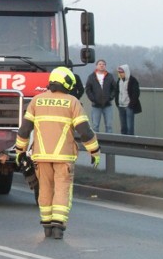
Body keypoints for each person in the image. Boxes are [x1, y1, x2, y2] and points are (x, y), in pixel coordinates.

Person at [15, 67, 101, 239]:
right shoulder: (72, 102)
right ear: (67, 82)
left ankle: (46, 225)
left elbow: (24, 130)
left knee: (45, 189)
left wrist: (20, 151)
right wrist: (95, 151)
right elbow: (85, 131)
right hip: (63, 156)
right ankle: (58, 226)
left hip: (41, 156)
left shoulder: (36, 101)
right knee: (62, 189)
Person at [85, 59, 116, 133]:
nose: (102, 65)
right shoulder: (91, 77)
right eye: (100, 64)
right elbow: (88, 89)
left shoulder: (109, 76)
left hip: (107, 105)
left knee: (109, 126)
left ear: (105, 66)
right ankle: (96, 142)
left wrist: (110, 97)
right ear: (96, 66)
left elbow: (115, 88)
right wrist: (93, 99)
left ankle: (109, 142)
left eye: (103, 64)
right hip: (96, 105)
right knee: (95, 126)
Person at [116, 64, 142, 135]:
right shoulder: (119, 81)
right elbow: (117, 92)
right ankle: (123, 141)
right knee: (123, 126)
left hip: (129, 106)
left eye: (122, 72)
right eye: (119, 72)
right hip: (121, 106)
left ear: (126, 72)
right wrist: (117, 103)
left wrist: (131, 105)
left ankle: (130, 141)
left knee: (130, 126)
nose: (120, 74)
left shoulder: (133, 81)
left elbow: (136, 93)